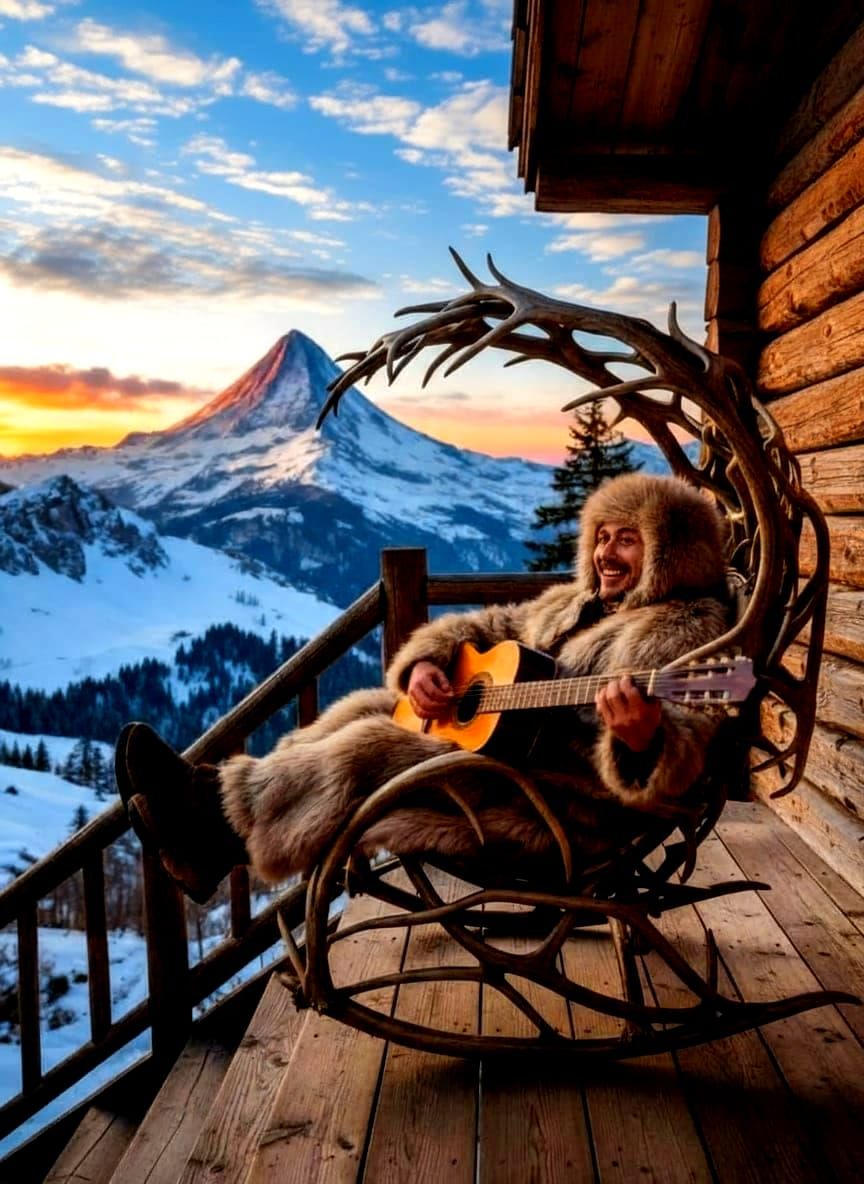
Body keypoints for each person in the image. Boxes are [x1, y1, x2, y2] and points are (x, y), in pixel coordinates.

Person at [117, 473, 731, 903]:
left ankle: (206, 811)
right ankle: (217, 836)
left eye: (628, 538)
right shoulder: (578, 603)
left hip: (562, 806)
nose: (606, 553)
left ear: (669, 553)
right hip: (509, 759)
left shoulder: (685, 629)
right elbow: (489, 627)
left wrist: (644, 738)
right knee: (370, 707)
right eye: (601, 535)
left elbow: (690, 735)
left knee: (373, 748)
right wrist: (426, 665)